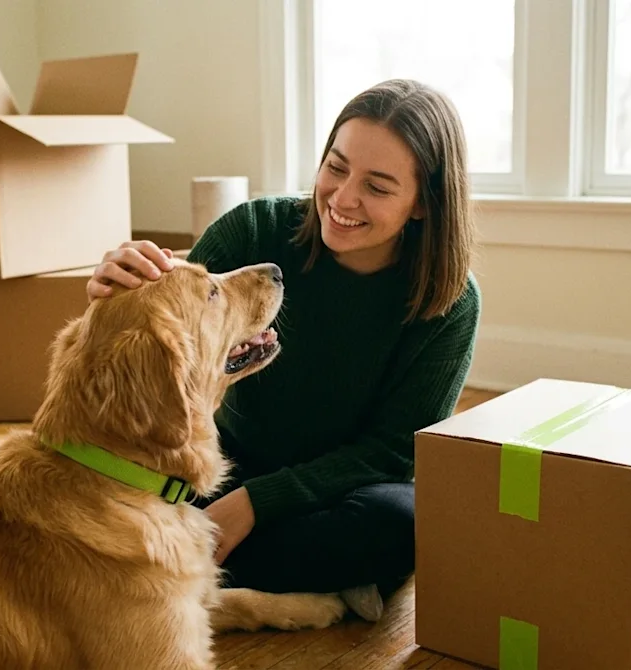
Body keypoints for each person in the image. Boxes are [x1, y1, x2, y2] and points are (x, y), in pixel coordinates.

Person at [85, 79, 481, 623]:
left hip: (342, 489)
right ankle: (316, 580)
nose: (342, 199)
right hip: (222, 468)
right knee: (110, 496)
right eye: (336, 168)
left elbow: (393, 451)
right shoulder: (253, 230)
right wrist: (112, 296)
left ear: (423, 204)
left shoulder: (450, 301)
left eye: (378, 187)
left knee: (406, 522)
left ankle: (171, 570)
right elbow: (174, 336)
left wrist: (257, 505)